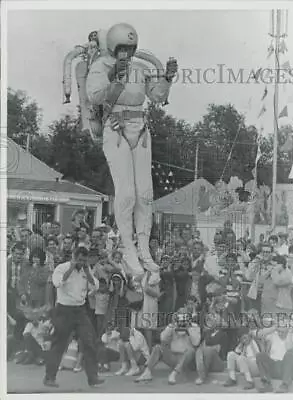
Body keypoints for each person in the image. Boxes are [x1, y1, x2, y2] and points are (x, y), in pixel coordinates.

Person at [86, 22, 178, 279]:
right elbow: (94, 96)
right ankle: (127, 247)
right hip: (115, 128)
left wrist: (168, 79)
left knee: (145, 193)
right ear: (113, 48)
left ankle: (144, 247)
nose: (126, 53)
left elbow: (157, 96)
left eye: (130, 48)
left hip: (141, 129)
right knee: (125, 193)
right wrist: (115, 75)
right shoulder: (101, 66)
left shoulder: (141, 68)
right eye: (122, 48)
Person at [43, 246, 104, 388]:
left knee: (89, 341)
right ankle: (49, 377)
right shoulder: (61, 268)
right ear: (73, 257)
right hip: (64, 310)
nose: (81, 263)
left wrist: (87, 271)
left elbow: (95, 287)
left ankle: (93, 377)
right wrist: (71, 268)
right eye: (79, 260)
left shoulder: (85, 270)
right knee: (59, 343)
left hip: (80, 310)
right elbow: (57, 283)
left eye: (84, 260)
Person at [135, 308, 200, 384]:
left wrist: (188, 328)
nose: (182, 320)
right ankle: (147, 373)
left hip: (186, 359)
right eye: (180, 317)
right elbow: (162, 338)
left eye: (184, 317)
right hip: (173, 357)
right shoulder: (173, 325)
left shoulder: (194, 326)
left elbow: (196, 343)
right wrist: (172, 326)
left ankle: (174, 374)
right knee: (157, 347)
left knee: (191, 351)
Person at [256, 320, 293, 393]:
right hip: (275, 366)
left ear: (288, 329)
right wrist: (273, 328)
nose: (280, 333)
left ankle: (285, 385)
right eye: (278, 331)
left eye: (282, 332)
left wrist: (289, 332)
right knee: (260, 355)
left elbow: (289, 348)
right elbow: (259, 335)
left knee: (289, 355)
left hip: (289, 368)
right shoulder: (274, 335)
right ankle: (267, 384)